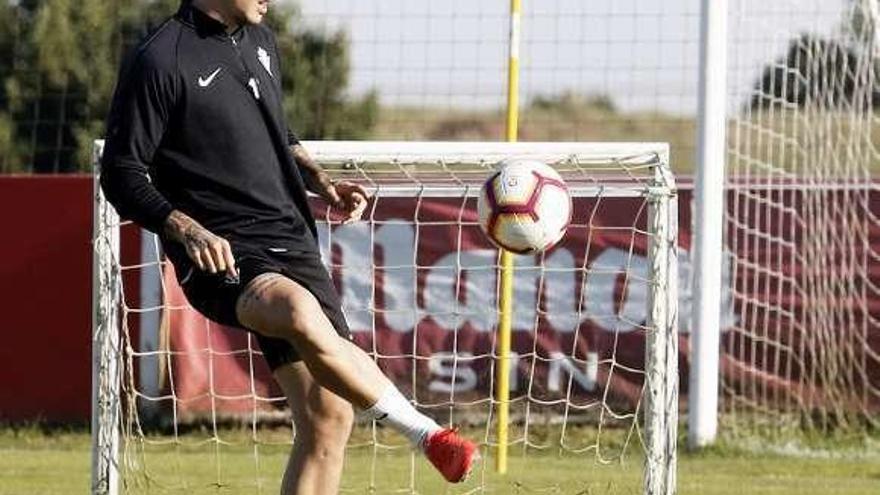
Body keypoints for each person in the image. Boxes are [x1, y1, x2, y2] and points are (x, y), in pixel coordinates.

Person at [99, 0, 479, 492]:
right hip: (224, 251)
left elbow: (278, 134)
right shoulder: (160, 58)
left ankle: (426, 437)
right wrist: (187, 230)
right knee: (297, 309)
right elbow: (122, 171)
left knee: (328, 419)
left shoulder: (261, 41)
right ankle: (429, 436)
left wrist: (320, 180)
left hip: (292, 240)